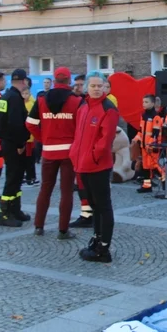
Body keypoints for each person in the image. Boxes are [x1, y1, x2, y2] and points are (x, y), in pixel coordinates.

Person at [70, 71, 120, 263]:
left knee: (103, 206)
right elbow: (78, 135)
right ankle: (97, 239)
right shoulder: (83, 106)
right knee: (93, 205)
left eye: (100, 86)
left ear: (105, 87)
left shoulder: (108, 109)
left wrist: (91, 157)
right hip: (82, 164)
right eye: (93, 86)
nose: (97, 89)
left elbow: (104, 140)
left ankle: (104, 248)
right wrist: (75, 154)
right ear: (86, 88)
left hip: (98, 165)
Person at [27, 67, 81, 239]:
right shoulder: (76, 101)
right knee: (66, 192)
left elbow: (30, 123)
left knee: (45, 188)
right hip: (69, 153)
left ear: (54, 79)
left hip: (48, 151)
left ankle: (38, 226)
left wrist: (43, 138)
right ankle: (63, 230)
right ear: (69, 80)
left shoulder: (42, 99)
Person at [0, 69, 31, 227]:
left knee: (16, 177)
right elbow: (16, 124)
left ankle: (15, 210)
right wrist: (20, 144)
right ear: (24, 81)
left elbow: (2, 121)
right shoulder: (15, 98)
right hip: (14, 144)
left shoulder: (6, 97)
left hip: (7, 141)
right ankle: (4, 214)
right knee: (12, 178)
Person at [70, 74, 94, 228]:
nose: (77, 88)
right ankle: (86, 214)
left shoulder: (88, 103)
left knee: (88, 185)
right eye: (76, 85)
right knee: (81, 184)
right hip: (78, 149)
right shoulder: (79, 103)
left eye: (80, 85)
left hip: (89, 151)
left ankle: (90, 215)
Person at [133, 94, 164, 193]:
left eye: (146, 102)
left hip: (152, 147)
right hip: (144, 146)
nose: (144, 104)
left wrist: (151, 145)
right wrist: (136, 139)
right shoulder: (143, 116)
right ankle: (147, 186)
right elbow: (141, 130)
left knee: (154, 166)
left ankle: (166, 181)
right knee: (146, 167)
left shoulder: (156, 117)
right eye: (143, 102)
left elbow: (155, 134)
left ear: (153, 103)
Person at [21, 80, 39, 186]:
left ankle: (31, 176)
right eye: (23, 94)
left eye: (26, 93)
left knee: (29, 158)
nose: (25, 96)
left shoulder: (31, 104)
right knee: (23, 158)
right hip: (22, 137)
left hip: (30, 137)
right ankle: (26, 175)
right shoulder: (19, 104)